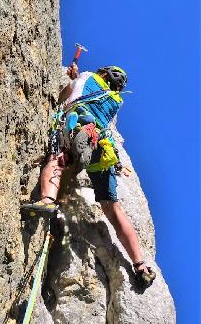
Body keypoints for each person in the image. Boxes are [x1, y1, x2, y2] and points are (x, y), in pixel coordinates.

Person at [21, 64, 156, 287]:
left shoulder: (86, 77)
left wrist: (72, 78)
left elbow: (62, 95)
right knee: (112, 207)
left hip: (77, 126)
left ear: (102, 74)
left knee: (58, 158)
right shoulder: (115, 101)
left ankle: (47, 201)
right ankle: (140, 265)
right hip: (102, 146)